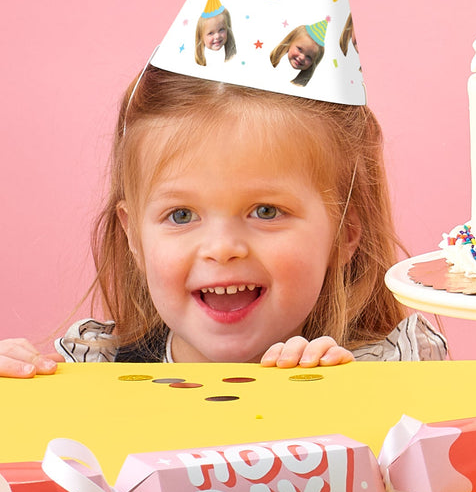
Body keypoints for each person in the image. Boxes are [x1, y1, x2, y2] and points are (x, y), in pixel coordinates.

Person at [0, 65, 447, 378]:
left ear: (344, 233)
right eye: (181, 215)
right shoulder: (90, 373)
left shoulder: (388, 373)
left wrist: (352, 406)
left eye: (266, 211)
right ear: (133, 236)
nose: (222, 247)